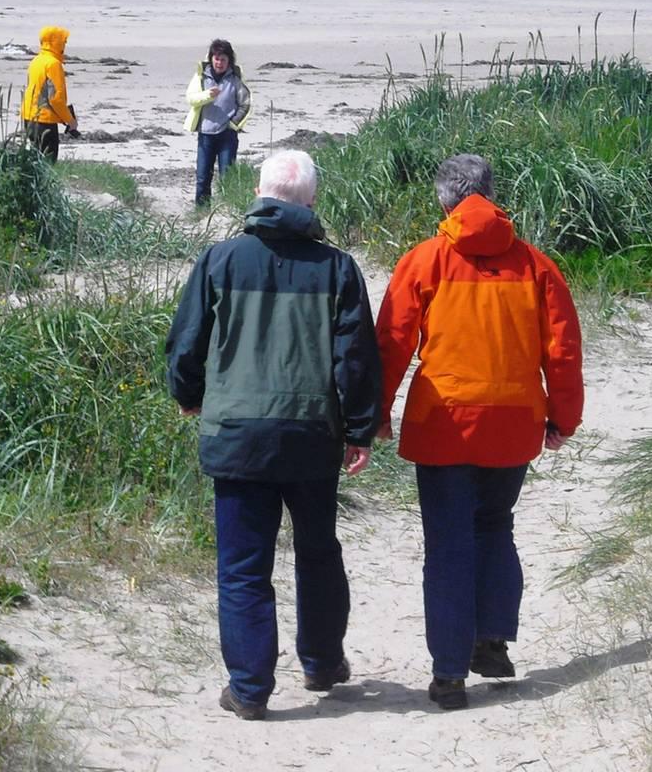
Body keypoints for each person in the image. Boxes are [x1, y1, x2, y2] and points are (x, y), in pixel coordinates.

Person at [165, 150, 382, 721]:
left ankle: (250, 688)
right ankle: (321, 662)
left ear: (260, 195)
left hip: (238, 435)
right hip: (312, 437)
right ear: (310, 203)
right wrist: (360, 428)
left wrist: (188, 395)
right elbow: (355, 359)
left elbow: (186, 342)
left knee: (243, 567)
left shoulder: (220, 260)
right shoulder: (336, 268)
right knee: (318, 552)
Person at [375, 154, 584, 711]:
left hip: (444, 424)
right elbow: (562, 352)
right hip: (513, 423)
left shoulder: (424, 260)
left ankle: (449, 676)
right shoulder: (537, 266)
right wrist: (564, 417)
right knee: (495, 526)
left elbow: (392, 344)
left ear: (444, 202)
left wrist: (373, 413)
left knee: (448, 546)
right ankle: (490, 643)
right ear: (493, 198)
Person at [185, 39, 254, 207]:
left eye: (223, 59)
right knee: (202, 177)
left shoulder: (235, 79)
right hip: (206, 134)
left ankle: (227, 209)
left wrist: (233, 124)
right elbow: (191, 99)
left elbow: (245, 103)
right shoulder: (201, 77)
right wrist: (208, 95)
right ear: (211, 58)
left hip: (227, 135)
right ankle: (201, 211)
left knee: (227, 176)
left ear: (229, 61)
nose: (219, 63)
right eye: (216, 58)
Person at [21, 25, 79, 159]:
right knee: (48, 164)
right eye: (63, 41)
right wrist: (70, 120)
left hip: (29, 117)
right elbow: (55, 99)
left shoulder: (36, 60)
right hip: (44, 121)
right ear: (55, 42)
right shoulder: (53, 64)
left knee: (36, 162)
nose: (65, 44)